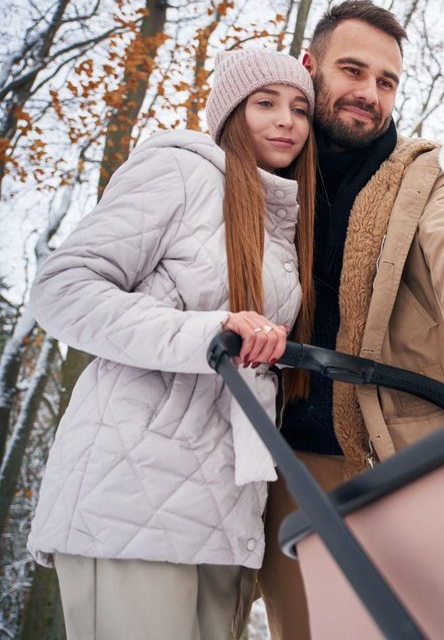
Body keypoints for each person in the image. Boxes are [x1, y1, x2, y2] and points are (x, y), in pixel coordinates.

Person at [26, 49, 316, 640]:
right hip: (132, 494)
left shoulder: (281, 223)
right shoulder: (180, 172)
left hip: (226, 511)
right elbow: (64, 288)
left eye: (300, 108)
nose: (286, 119)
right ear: (232, 113)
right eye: (265, 103)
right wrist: (208, 335)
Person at [258, 0, 444, 639]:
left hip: (404, 452)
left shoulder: (422, 173)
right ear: (310, 67)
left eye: (386, 82)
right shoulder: (256, 176)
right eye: (352, 71)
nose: (369, 94)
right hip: (284, 463)